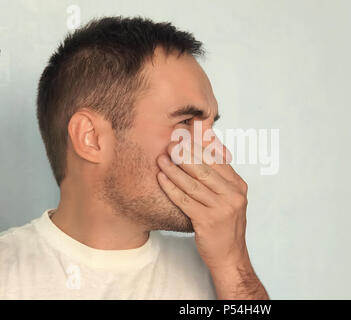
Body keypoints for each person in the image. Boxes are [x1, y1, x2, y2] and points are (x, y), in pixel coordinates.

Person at [0, 16, 269, 300]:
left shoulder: (220, 273)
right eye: (186, 122)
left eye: (210, 127)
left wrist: (233, 263)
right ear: (90, 137)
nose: (220, 152)